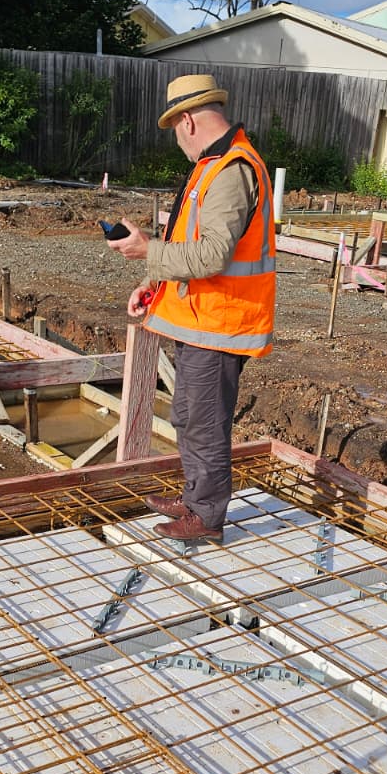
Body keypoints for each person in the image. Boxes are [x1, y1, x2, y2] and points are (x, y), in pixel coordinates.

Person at [107, 72, 275, 544]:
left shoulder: (230, 170)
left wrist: (146, 251)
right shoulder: (213, 165)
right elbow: (186, 244)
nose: (177, 141)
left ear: (187, 121)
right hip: (201, 320)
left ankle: (206, 518)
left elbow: (211, 255)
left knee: (204, 420)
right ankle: (197, 496)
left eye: (174, 131)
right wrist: (151, 280)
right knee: (188, 414)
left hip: (222, 322)